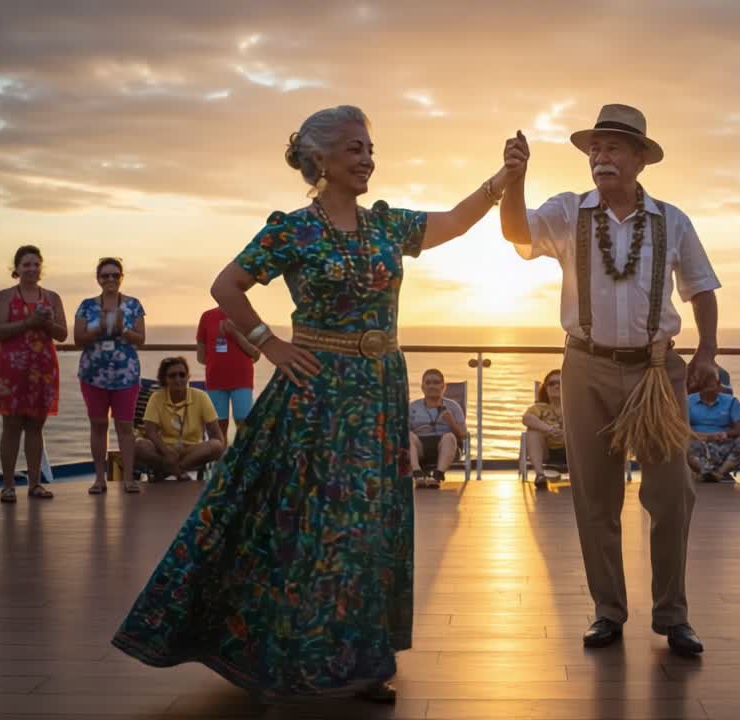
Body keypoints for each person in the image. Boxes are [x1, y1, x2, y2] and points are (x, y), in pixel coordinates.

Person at [111, 104, 525, 703]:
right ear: (321, 159)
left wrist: (503, 177)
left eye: (369, 148)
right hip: (318, 392)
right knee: (316, 525)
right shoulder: (293, 230)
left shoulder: (387, 227)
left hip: (379, 388)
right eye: (355, 149)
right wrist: (269, 343)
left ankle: (363, 658)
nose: (367, 159)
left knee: (370, 521)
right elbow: (226, 285)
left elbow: (457, 223)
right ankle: (288, 650)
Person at [500, 104, 721, 657]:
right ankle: (608, 611)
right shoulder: (568, 212)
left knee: (673, 495)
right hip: (587, 365)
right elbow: (515, 232)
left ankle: (673, 615)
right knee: (594, 498)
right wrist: (516, 178)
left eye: (614, 147)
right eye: (595, 147)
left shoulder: (673, 221)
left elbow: (701, 289)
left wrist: (708, 354)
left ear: (642, 158)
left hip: (655, 370)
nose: (601, 156)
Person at [0, 245, 67, 503]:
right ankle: (8, 485)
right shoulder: (6, 295)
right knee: (11, 426)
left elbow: (63, 334)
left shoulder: (52, 297)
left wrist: (46, 324)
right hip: (11, 367)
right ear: (16, 268)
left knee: (36, 426)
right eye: (26, 265)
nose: (31, 269)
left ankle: (35, 484)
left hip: (42, 367)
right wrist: (28, 323)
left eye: (36, 264)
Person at [74, 258, 146, 495]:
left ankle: (128, 479)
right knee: (98, 424)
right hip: (93, 373)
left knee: (125, 425)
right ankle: (99, 478)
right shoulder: (86, 306)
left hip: (125, 374)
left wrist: (121, 330)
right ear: (98, 278)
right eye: (105, 276)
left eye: (115, 275)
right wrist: (99, 328)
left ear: (121, 277)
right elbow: (78, 339)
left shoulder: (134, 305)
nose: (110, 280)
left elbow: (141, 338)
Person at [134, 357, 224, 481]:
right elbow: (150, 431)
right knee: (139, 446)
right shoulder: (156, 397)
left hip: (191, 451)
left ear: (188, 377)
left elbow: (218, 437)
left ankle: (171, 470)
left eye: (182, 375)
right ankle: (178, 472)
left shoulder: (201, 397)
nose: (178, 379)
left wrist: (212, 447)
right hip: (163, 449)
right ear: (165, 379)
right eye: (172, 376)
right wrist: (167, 451)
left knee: (217, 446)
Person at [196, 305, 260, 438]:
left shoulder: (247, 316)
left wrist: (235, 334)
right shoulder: (207, 316)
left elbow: (256, 354)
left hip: (242, 380)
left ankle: (242, 458)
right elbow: (201, 357)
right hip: (215, 380)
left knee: (244, 424)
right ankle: (220, 459)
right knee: (218, 429)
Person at [687, 374, 740, 483]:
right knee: (681, 441)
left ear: (719, 386)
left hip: (725, 445)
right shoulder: (688, 402)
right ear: (700, 387)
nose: (711, 390)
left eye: (714, 386)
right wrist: (706, 437)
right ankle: (705, 471)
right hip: (698, 445)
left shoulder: (731, 401)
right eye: (707, 387)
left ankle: (720, 473)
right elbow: (681, 428)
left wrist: (725, 434)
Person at [407, 368, 466, 489]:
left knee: (449, 437)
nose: (431, 386)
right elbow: (404, 433)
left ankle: (438, 475)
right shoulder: (413, 407)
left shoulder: (453, 406)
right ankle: (417, 473)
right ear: (422, 387)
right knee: (408, 436)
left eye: (436, 382)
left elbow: (463, 435)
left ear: (443, 387)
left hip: (446, 446)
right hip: (420, 446)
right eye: (428, 383)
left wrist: (451, 421)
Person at [522, 369, 566, 489]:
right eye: (551, 383)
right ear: (545, 388)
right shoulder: (539, 408)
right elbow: (526, 419)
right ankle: (540, 475)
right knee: (533, 431)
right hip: (546, 450)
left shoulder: (575, 406)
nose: (556, 386)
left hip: (572, 450)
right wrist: (549, 429)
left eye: (560, 382)